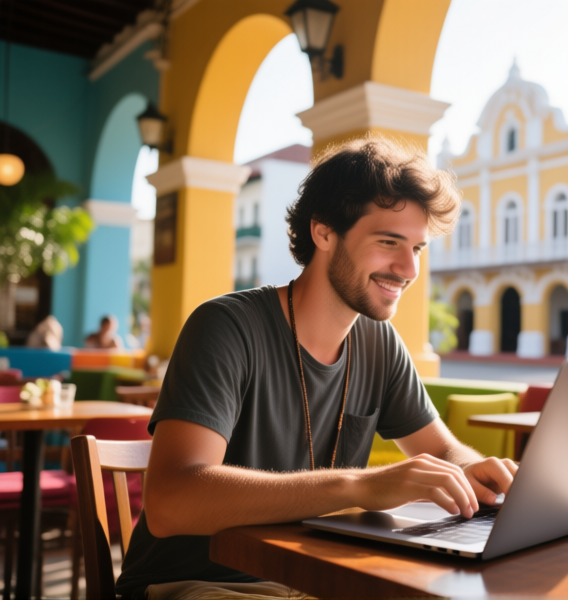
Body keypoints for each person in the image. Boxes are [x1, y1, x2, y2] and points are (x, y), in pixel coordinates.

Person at [115, 137, 518, 599]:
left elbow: (446, 454)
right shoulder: (226, 326)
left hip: (313, 578)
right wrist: (359, 486)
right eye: (389, 242)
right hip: (199, 583)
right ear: (323, 231)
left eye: (418, 249)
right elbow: (171, 503)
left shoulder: (379, 343)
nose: (408, 269)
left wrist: (486, 475)